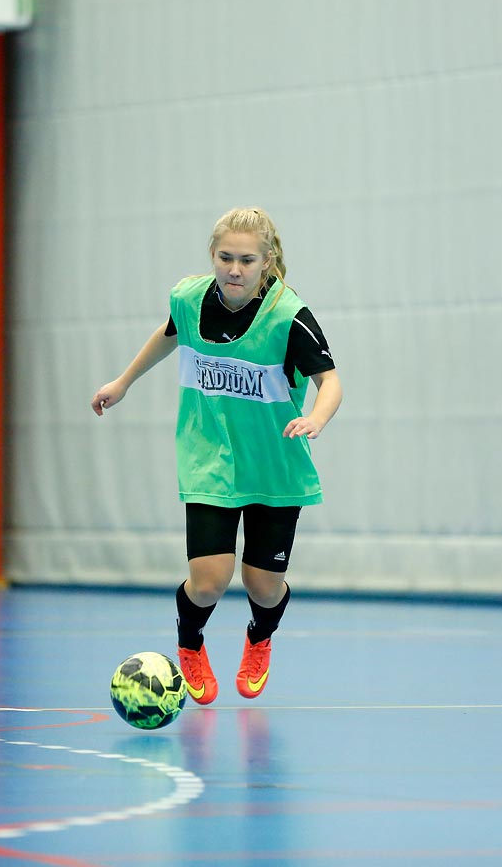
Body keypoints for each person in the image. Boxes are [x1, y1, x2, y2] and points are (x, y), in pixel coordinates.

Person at [91, 208, 341, 704]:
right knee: (208, 582)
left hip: (274, 465)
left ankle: (259, 635)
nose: (234, 269)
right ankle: (190, 643)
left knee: (264, 587)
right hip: (210, 459)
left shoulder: (288, 315)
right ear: (213, 256)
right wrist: (123, 382)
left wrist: (316, 417)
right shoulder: (189, 298)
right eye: (225, 257)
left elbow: (330, 380)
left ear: (266, 263)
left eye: (246, 260)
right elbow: (169, 334)